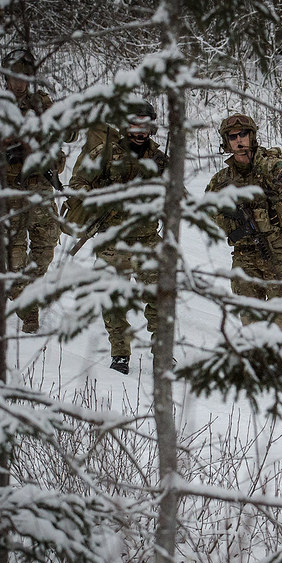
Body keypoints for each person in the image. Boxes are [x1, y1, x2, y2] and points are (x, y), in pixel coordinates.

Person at [63, 101, 169, 374]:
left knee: (160, 298)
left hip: (147, 239)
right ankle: (120, 353)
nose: (139, 131)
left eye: (144, 125)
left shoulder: (159, 159)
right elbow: (77, 185)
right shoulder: (104, 152)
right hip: (112, 240)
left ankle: (162, 351)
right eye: (133, 123)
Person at [0, 48, 74, 333]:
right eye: (14, 75)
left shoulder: (41, 103)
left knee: (44, 253)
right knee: (13, 260)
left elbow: (70, 132)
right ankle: (28, 310)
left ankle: (26, 295)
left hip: (41, 189)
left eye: (25, 75)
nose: (19, 82)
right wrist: (4, 146)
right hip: (10, 193)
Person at [204, 114, 282, 334]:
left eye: (243, 134)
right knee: (250, 322)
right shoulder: (222, 180)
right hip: (244, 255)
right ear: (226, 142)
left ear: (252, 136)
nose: (239, 140)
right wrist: (233, 220)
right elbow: (208, 210)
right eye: (233, 136)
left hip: (276, 250)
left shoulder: (268, 165)